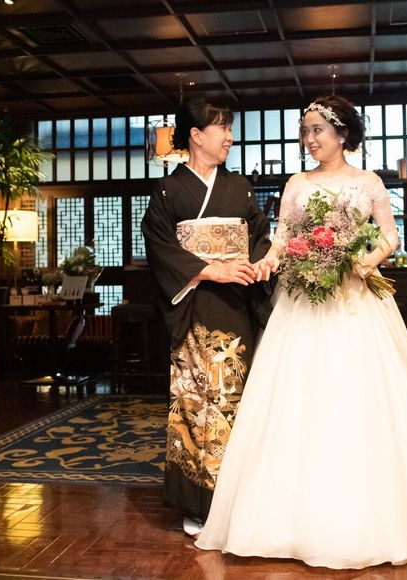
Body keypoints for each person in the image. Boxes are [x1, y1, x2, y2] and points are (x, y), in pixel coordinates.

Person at [195, 95, 407, 569]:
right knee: (297, 400)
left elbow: (390, 235)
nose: (309, 140)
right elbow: (281, 240)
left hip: (356, 302)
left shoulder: (367, 182)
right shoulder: (297, 184)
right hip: (303, 304)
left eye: (317, 130)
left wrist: (366, 260)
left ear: (342, 135)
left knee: (364, 399)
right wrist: (267, 263)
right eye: (305, 131)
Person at [141, 98, 272, 537]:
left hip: (237, 304)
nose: (230, 137)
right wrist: (210, 269)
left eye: (230, 128)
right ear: (196, 135)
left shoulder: (240, 187)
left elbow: (260, 235)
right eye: (222, 129)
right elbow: (160, 244)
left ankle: (240, 499)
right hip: (195, 304)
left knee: (236, 400)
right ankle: (197, 502)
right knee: (197, 403)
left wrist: (260, 262)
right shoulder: (168, 190)